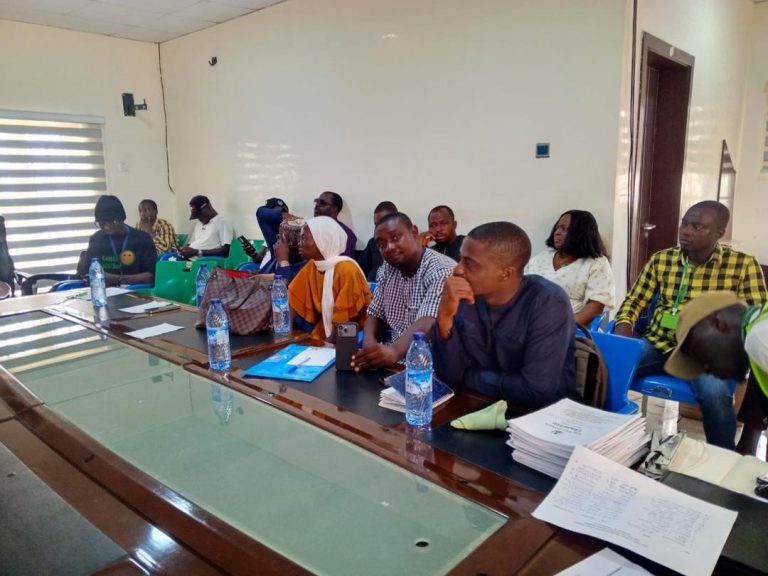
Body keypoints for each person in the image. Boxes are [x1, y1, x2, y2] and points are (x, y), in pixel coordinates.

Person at [613, 200, 767, 449]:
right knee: (607, 368)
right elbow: (634, 300)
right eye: (684, 224)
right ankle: (603, 439)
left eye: (697, 227)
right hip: (659, 343)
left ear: (719, 233)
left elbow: (757, 320)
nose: (686, 231)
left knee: (714, 394)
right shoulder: (662, 259)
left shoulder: (743, 265)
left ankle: (722, 456)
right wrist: (623, 329)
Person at [432, 221, 576, 408]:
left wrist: (470, 376)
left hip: (541, 416)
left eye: (469, 263)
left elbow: (536, 391)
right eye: (460, 258)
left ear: (506, 274)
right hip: (479, 405)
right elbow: (449, 376)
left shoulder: (548, 302)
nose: (457, 269)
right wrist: (444, 316)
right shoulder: (464, 296)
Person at [664, 291, 768, 456]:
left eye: (701, 352)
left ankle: (724, 458)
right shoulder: (756, 331)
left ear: (718, 323)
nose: (707, 366)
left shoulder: (757, 339)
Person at [351, 212, 456, 370]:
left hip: (429, 366)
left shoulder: (441, 269)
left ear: (414, 232)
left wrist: (393, 351)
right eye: (381, 244)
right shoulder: (386, 269)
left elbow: (429, 321)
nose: (389, 247)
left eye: (395, 238)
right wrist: (370, 347)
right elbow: (375, 313)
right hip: (391, 362)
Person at [287, 216, 372, 342]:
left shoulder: (347, 270)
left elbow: (347, 321)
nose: (300, 243)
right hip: (327, 332)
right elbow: (292, 299)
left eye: (304, 238)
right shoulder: (313, 266)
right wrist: (285, 335)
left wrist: (324, 347)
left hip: (351, 335)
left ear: (322, 241)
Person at [525, 210, 615, 326]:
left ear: (580, 233)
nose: (557, 232)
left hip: (569, 328)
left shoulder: (596, 263)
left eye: (564, 229)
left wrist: (562, 326)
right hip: (530, 323)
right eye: (557, 228)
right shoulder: (542, 257)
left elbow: (595, 306)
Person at [77, 195, 156, 286]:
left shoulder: (142, 239)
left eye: (111, 222)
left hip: (136, 291)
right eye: (102, 224)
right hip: (104, 291)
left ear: (121, 218)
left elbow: (151, 275)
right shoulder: (96, 239)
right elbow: (86, 272)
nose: (106, 227)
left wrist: (117, 279)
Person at [357, 201, 398, 281]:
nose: (378, 229)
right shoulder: (373, 243)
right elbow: (360, 267)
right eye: (376, 224)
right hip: (372, 285)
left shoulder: (403, 244)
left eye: (383, 223)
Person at [313, 191, 356, 258]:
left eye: (322, 203)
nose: (316, 206)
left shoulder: (345, 233)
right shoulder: (311, 229)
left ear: (334, 209)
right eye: (317, 202)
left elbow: (344, 261)